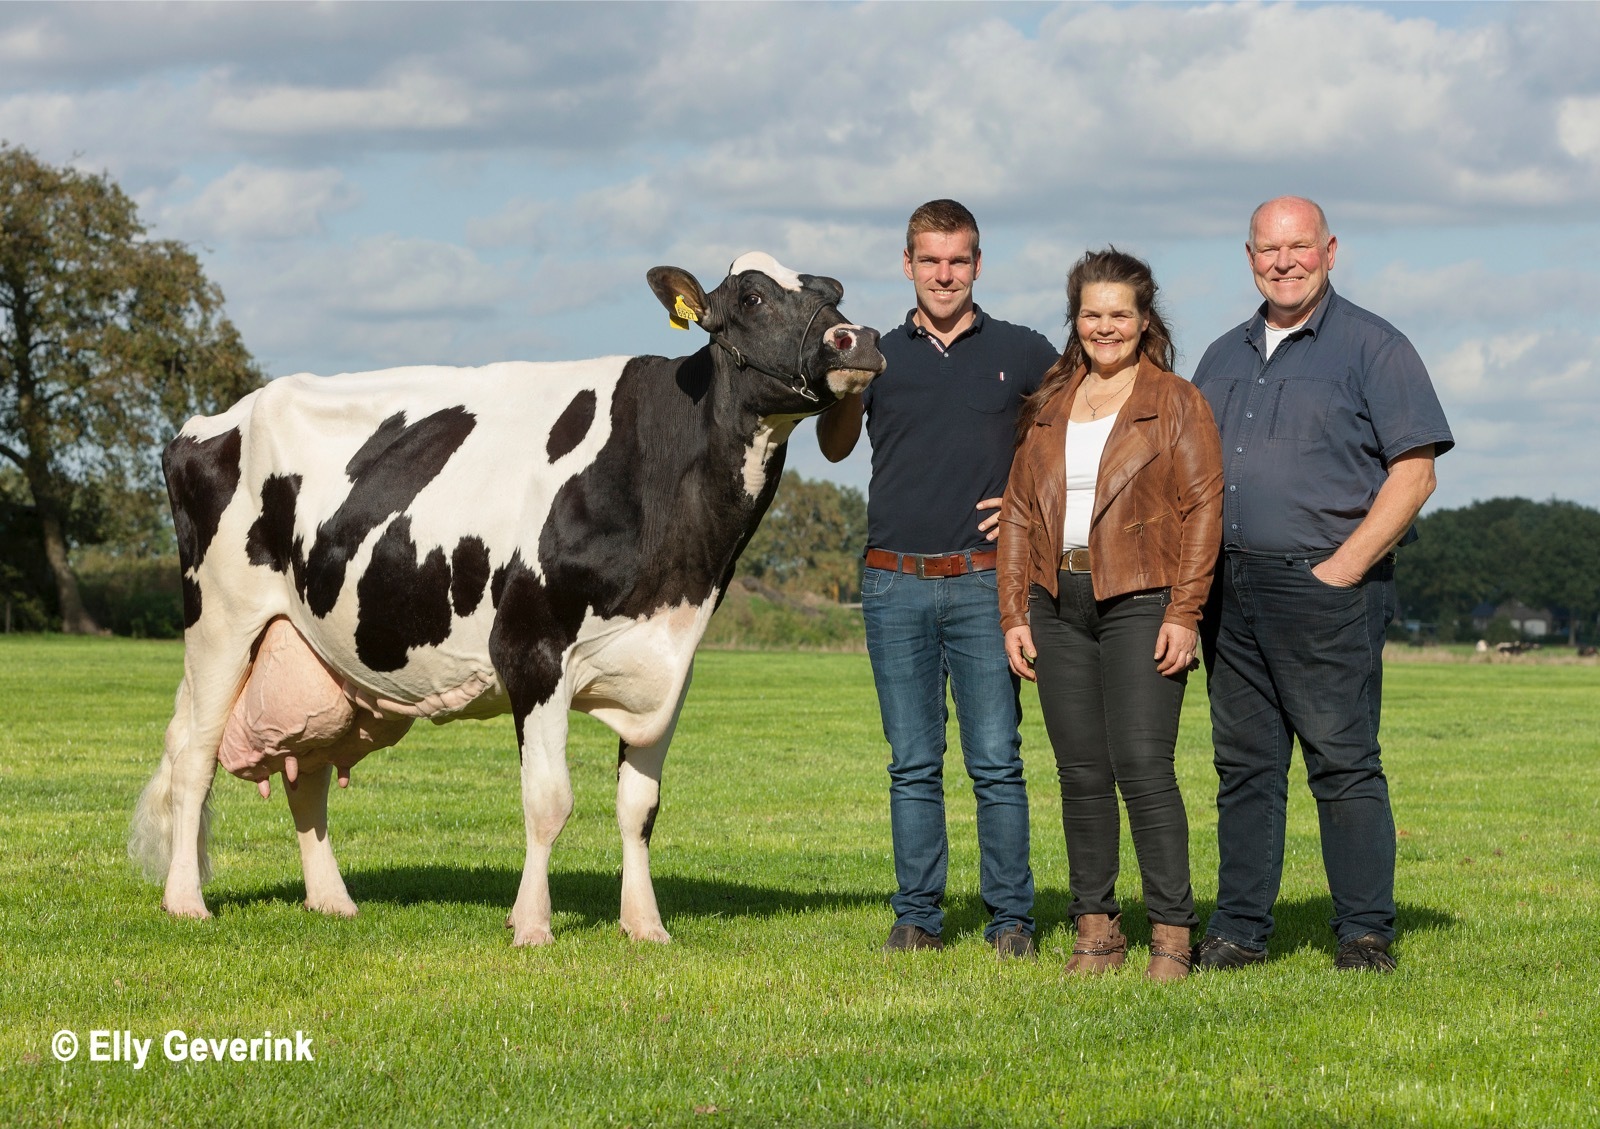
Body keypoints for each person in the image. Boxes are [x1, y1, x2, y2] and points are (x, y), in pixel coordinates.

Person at [1189, 196, 1454, 973]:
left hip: (1327, 590)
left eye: (1299, 246)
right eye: (1269, 250)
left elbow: (1415, 474)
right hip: (1229, 594)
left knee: (1341, 761)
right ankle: (1238, 930)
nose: (1285, 262)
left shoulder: (1376, 346)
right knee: (1244, 768)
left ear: (1330, 250)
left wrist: (1342, 567)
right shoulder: (1221, 355)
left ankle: (1365, 932)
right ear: (1249, 259)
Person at [818, 199, 1058, 958]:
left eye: (958, 260)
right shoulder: (877, 354)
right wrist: (846, 385)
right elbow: (830, 449)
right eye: (931, 260)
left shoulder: (1022, 351)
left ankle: (1011, 920)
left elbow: (1073, 436)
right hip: (893, 582)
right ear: (908, 265)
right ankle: (918, 916)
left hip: (987, 580)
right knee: (913, 762)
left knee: (996, 759)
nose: (944, 273)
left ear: (978, 264)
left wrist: (1028, 501)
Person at [996, 249, 1223, 981]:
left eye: (1119, 313)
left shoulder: (1177, 401)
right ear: (1076, 320)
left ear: (1144, 319)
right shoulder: (1049, 406)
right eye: (1092, 313)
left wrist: (1185, 611)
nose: (1105, 326)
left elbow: (1203, 512)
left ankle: (1172, 935)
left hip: (1145, 600)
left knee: (1143, 768)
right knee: (1080, 773)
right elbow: (1022, 516)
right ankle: (1095, 932)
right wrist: (1014, 613)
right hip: (1056, 605)